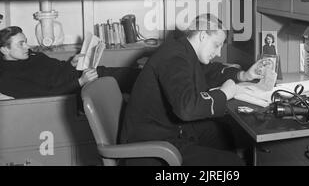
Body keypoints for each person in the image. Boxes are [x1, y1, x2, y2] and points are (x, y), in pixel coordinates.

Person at [119, 14, 265, 166]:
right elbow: (187, 108)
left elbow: (209, 71)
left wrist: (243, 75)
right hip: (151, 143)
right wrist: (223, 94)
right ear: (202, 36)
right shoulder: (174, 57)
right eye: (216, 45)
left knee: (220, 132)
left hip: (165, 129)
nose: (219, 53)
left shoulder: (183, 49)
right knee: (234, 164)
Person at [0, 26, 140, 99]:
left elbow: (56, 69)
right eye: (21, 44)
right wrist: (81, 82)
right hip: (73, 90)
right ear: (4, 50)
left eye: (25, 42)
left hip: (79, 75)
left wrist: (71, 63)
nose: (28, 46)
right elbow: (47, 95)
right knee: (123, 79)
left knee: (128, 75)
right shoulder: (7, 78)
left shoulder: (31, 56)